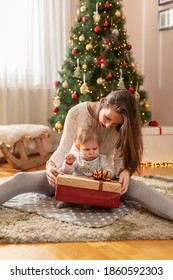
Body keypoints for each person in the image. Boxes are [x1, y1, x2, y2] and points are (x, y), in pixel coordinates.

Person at [0, 90, 173, 221]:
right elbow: (62, 149)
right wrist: (51, 166)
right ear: (103, 102)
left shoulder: (121, 128)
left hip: (102, 182)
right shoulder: (77, 113)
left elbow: (119, 160)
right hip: (71, 177)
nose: (108, 126)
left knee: (141, 189)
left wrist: (124, 172)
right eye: (107, 118)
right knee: (21, 178)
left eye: (115, 124)